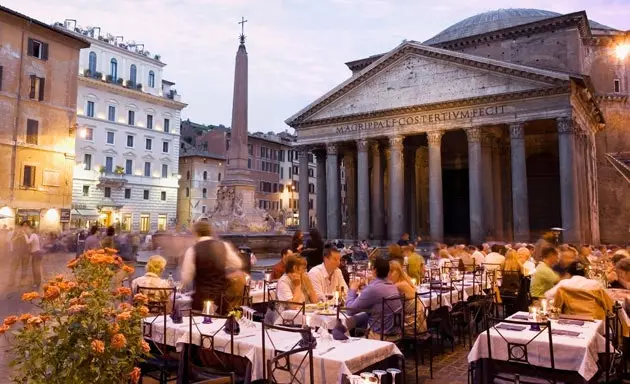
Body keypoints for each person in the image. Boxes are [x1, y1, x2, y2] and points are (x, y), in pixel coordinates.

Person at [181, 221, 243, 313]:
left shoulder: (193, 250)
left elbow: (186, 277)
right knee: (220, 325)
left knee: (199, 325)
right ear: (210, 232)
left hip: (201, 298)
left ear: (196, 233)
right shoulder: (223, 246)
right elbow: (237, 264)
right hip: (220, 298)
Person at [345, 256, 403, 339]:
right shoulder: (393, 286)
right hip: (396, 334)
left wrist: (352, 290)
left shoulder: (372, 289)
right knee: (360, 318)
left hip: (379, 337)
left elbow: (349, 310)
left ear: (374, 270)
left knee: (344, 324)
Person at [388, 260, 427, 334]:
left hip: (411, 326)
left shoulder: (398, 285)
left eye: (391, 272)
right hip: (420, 324)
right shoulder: (405, 282)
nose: (388, 275)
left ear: (398, 272)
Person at [24, 223, 42, 288]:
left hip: (36, 254)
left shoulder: (33, 235)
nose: (27, 230)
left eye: (28, 229)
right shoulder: (35, 235)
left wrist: (25, 235)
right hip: (37, 253)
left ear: (31, 229)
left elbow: (28, 242)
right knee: (36, 269)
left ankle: (36, 283)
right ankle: (37, 282)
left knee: (35, 269)